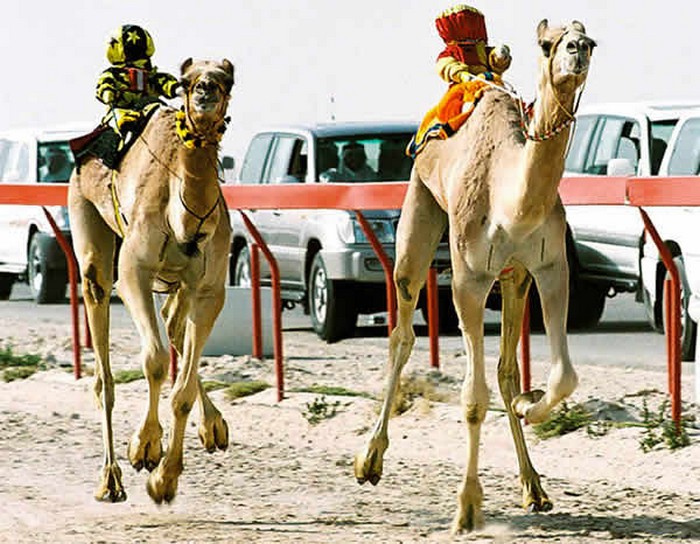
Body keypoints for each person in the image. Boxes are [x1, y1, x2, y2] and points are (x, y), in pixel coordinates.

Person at [95, 24, 180, 140]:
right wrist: (107, 92)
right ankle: (124, 135)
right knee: (117, 118)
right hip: (120, 112)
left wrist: (175, 88)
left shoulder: (150, 76)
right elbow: (105, 84)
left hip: (148, 109)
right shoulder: (113, 74)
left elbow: (164, 82)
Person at [434, 4, 511, 86]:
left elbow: (495, 62)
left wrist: (500, 56)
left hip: (487, 80)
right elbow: (446, 66)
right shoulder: (450, 52)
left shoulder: (482, 50)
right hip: (464, 84)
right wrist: (462, 75)